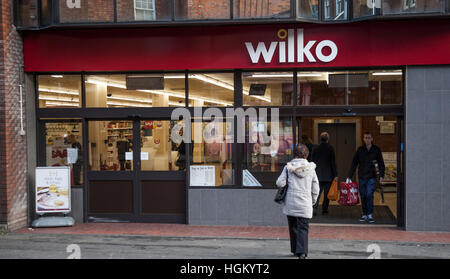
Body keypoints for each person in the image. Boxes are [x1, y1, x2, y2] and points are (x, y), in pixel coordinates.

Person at [276, 144, 320, 259]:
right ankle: (303, 252)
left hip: (291, 201)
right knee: (303, 227)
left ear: (295, 154)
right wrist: (313, 200)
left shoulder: (288, 167)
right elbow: (316, 187)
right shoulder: (311, 169)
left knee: (293, 226)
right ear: (306, 155)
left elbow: (280, 183)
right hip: (305, 202)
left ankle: (295, 250)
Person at [347, 131, 385, 224]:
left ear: (372, 139)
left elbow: (381, 163)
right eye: (365, 138)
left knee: (369, 194)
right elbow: (354, 163)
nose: (367, 139)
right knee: (363, 195)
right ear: (363, 139)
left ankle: (370, 214)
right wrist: (349, 176)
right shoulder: (360, 150)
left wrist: (382, 176)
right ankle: (364, 214)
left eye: (369, 138)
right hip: (362, 176)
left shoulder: (376, 150)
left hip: (372, 177)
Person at [311, 132, 338, 216]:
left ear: (320, 138)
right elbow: (333, 163)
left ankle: (314, 209)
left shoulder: (315, 148)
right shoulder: (330, 148)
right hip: (328, 175)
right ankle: (324, 210)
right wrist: (335, 175)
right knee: (327, 194)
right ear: (328, 139)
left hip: (317, 175)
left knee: (317, 193)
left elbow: (312, 161)